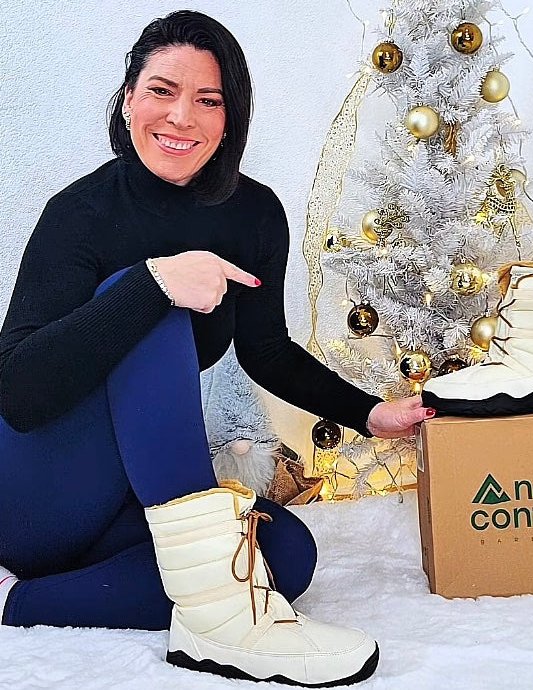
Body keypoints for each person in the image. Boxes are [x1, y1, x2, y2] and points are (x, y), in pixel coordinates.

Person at [0, 10, 436, 688]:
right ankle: (219, 622)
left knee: (284, 555)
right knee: (151, 304)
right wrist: (151, 284)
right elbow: (19, 394)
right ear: (127, 102)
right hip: (33, 492)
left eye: (208, 100)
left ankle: (18, 602)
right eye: (161, 91)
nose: (181, 117)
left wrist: (371, 415)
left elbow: (266, 350)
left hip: (121, 509)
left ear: (230, 118)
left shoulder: (254, 214)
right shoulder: (78, 214)